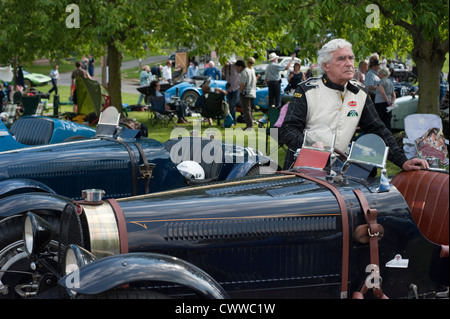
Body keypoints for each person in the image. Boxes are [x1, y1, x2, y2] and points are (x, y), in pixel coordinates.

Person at [279, 38, 428, 172]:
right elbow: (288, 129)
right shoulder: (307, 90)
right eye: (341, 59)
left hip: (336, 169)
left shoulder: (360, 92)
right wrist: (310, 145)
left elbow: (378, 130)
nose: (349, 63)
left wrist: (403, 160)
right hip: (301, 167)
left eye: (351, 58)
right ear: (326, 66)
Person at [236, 58, 259, 130]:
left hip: (246, 93)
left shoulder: (245, 71)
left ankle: (249, 126)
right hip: (253, 92)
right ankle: (251, 123)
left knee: (246, 110)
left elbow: (243, 84)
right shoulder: (252, 70)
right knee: (250, 110)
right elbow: (255, 81)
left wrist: (240, 91)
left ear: (247, 62)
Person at [374, 67, 396, 131]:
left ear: (382, 74)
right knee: (387, 121)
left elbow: (382, 93)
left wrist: (388, 101)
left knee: (380, 120)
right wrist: (392, 102)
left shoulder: (381, 82)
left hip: (380, 103)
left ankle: (380, 134)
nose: (378, 75)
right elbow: (394, 95)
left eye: (379, 73)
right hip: (389, 105)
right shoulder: (390, 82)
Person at [222, 58, 240, 125]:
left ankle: (233, 121)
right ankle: (231, 120)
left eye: (225, 62)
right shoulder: (224, 69)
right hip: (229, 89)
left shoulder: (233, 66)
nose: (224, 64)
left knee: (232, 104)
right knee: (229, 105)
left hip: (236, 88)